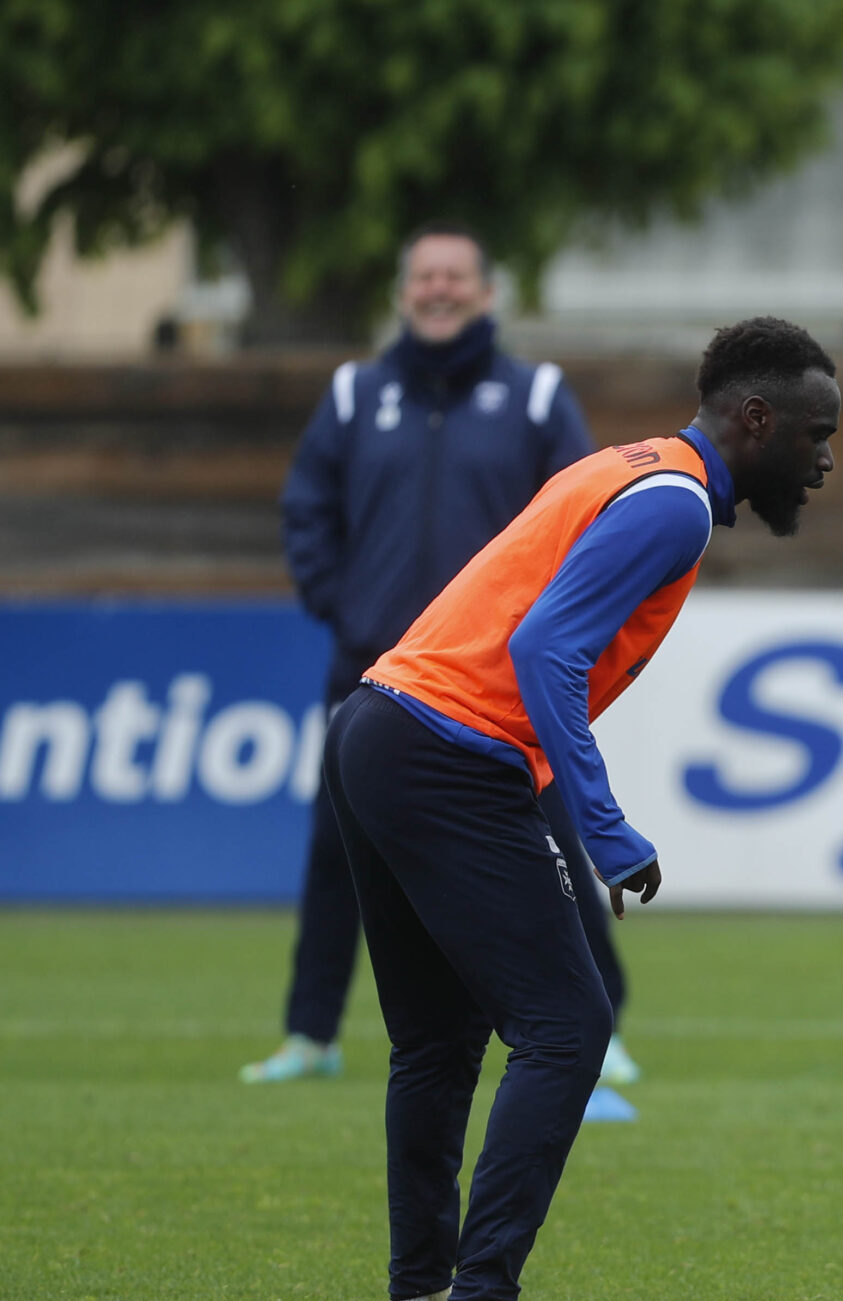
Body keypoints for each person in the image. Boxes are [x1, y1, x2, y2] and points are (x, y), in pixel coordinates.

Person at [341, 317, 838, 1301]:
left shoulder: (630, 467)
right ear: (756, 419)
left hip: (380, 726)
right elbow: (544, 649)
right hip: (451, 749)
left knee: (436, 1041)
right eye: (817, 433)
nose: (825, 460)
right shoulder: (675, 505)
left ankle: (419, 1300)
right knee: (568, 1027)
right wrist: (604, 828)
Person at [250, 223, 645, 1110]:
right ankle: (311, 1033)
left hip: (498, 682)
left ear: (487, 292)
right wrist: (344, 606)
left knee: (550, 843)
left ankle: (604, 1027)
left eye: (455, 276)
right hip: (374, 672)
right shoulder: (353, 394)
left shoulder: (536, 397)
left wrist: (544, 632)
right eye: (424, 276)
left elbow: (588, 517)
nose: (439, 290)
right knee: (337, 850)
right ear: (403, 293)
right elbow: (306, 509)